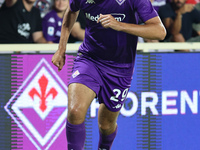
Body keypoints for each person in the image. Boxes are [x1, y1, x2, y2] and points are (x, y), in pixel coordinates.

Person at [52, 0, 166, 149]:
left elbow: (160, 31)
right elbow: (71, 11)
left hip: (120, 68)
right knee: (75, 111)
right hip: (89, 59)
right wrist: (61, 49)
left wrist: (119, 25)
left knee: (106, 125)